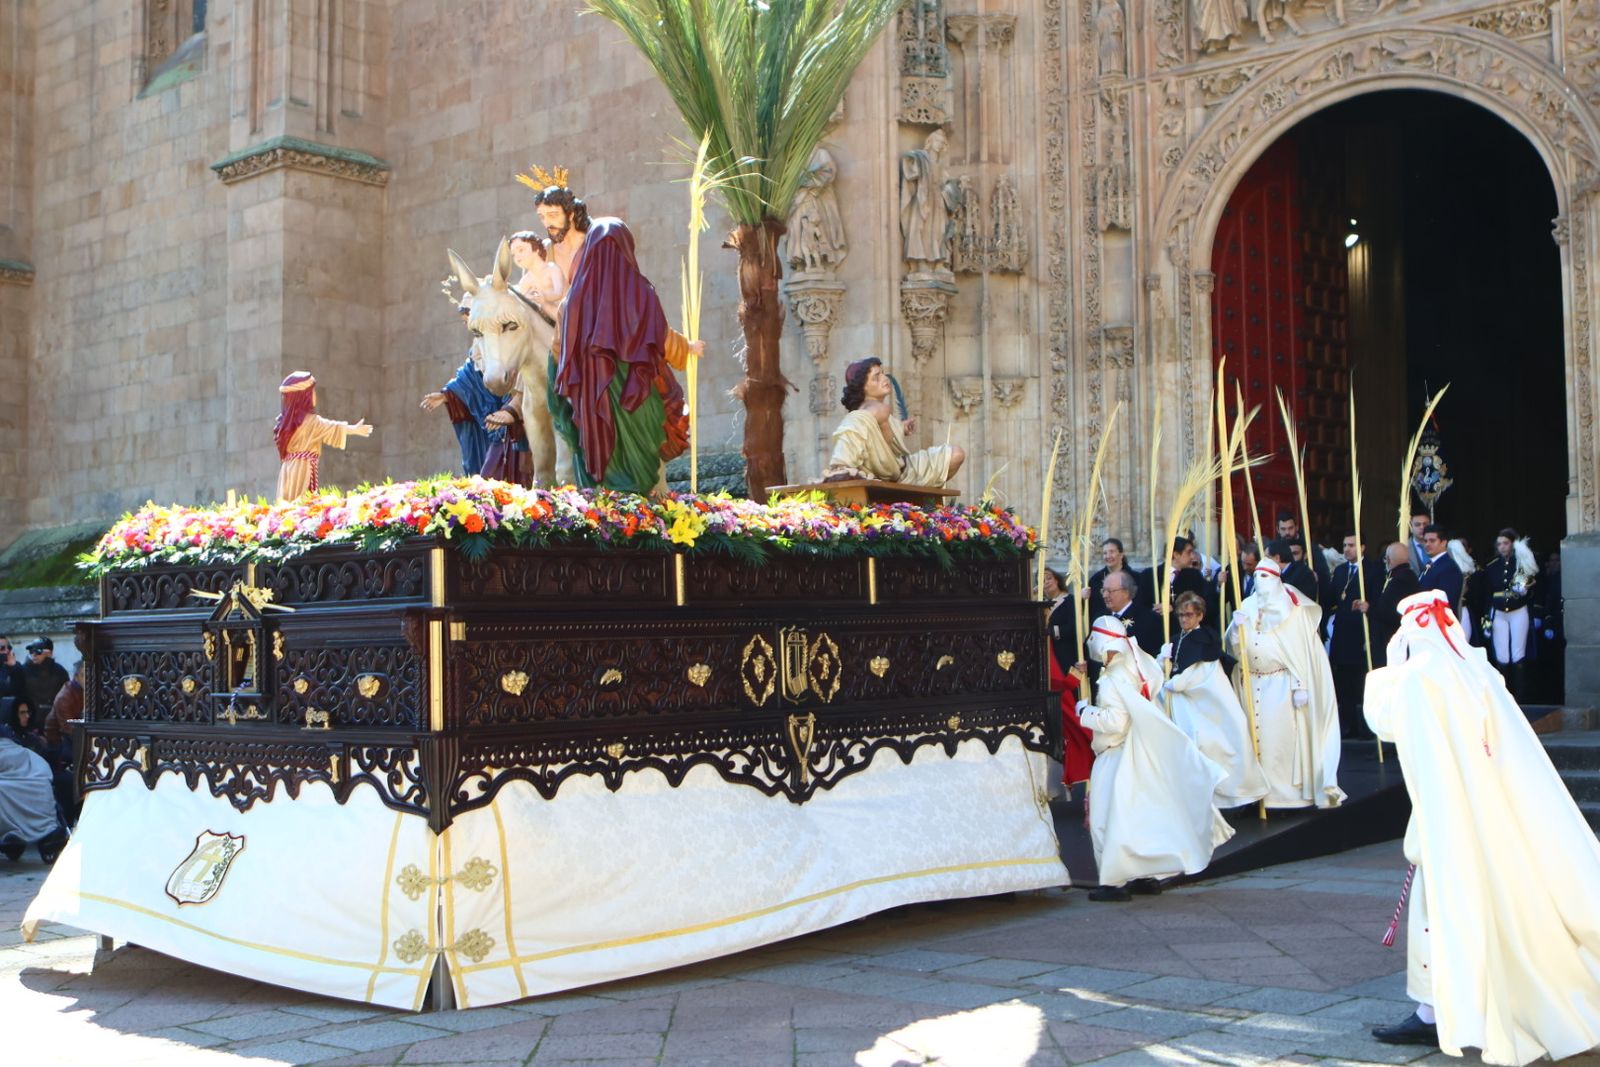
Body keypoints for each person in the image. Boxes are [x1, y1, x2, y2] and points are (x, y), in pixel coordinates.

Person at [1365, 590, 1600, 1061]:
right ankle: (1436, 1010)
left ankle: (1441, 1014)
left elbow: (1386, 723)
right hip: (1490, 811)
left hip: (1452, 817)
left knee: (1448, 912)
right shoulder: (1479, 673)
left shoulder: (1418, 679)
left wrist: (1388, 669)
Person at [1074, 616, 1233, 901]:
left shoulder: (1113, 679)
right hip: (1139, 753)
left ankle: (1114, 881)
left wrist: (1085, 712)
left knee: (1106, 818)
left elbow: (1116, 722)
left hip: (1117, 755)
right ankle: (1145, 876)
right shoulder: (1136, 666)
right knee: (1140, 815)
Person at [550, 218, 699, 494]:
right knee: (646, 482)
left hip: (594, 409)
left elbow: (557, 355)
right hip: (639, 403)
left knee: (603, 487)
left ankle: (611, 521)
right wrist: (687, 348)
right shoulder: (643, 295)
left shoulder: (570, 304)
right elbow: (661, 340)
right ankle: (640, 521)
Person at [1225, 558, 1344, 809]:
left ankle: (1284, 797)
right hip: (1253, 681)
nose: (1259, 582)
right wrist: (1235, 631)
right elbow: (1235, 649)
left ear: (1278, 579)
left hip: (1281, 685)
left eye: (1265, 576)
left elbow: (1302, 652)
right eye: (1256, 576)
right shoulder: (1247, 605)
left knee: (1277, 742)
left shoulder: (1293, 610)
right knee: (1253, 741)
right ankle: (1258, 797)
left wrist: (1301, 685)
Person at [1159, 592, 1267, 808]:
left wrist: (1177, 683)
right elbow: (1166, 670)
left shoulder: (1206, 640)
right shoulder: (1175, 639)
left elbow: (1201, 673)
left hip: (1206, 708)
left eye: (1188, 615)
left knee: (1211, 745)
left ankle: (1229, 795)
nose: (1184, 619)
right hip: (1183, 707)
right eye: (1180, 615)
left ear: (1199, 616)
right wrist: (1162, 661)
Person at [421, 294, 519, 479]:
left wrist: (509, 407)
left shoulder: (499, 342)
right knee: (485, 475)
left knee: (495, 474)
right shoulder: (477, 346)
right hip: (488, 419)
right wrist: (447, 395)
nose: (466, 325)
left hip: (506, 415)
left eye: (468, 320)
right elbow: (469, 376)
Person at [822, 358, 964, 486]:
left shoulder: (879, 411)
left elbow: (883, 439)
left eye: (882, 373)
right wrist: (841, 468)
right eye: (876, 377)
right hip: (894, 477)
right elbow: (843, 457)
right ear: (862, 387)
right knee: (956, 454)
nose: (884, 378)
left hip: (904, 471)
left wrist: (902, 428)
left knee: (955, 455)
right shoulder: (859, 418)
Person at [273, 372, 374, 502]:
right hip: (302, 470)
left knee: (289, 505)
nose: (315, 395)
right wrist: (354, 429)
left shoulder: (285, 423)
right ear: (304, 396)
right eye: (312, 392)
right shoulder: (311, 422)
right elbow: (330, 427)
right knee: (300, 503)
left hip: (288, 469)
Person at [1323, 534, 1384, 738]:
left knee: (1362, 682)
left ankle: (1367, 728)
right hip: (1343, 633)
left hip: (1362, 634)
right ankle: (1348, 725)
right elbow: (1331, 598)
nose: (1347, 549)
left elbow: (1379, 600)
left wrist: (1369, 607)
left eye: (1351, 545)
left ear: (1363, 547)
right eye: (1344, 545)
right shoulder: (1340, 571)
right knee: (1344, 682)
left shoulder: (1374, 570)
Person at [1043, 567, 1093, 789]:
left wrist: (1049, 630)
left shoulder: (1069, 601)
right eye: (1042, 580)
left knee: (1072, 708)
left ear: (1057, 579)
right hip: (1050, 661)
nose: (1046, 583)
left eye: (1049, 578)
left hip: (1066, 659)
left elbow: (1074, 629)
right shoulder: (1042, 605)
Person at [1483, 528, 1539, 701]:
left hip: (1518, 610)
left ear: (1513, 544)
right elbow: (1486, 594)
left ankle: (1520, 697)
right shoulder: (1492, 566)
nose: (1502, 547)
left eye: (1506, 543)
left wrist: (1524, 591)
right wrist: (1486, 618)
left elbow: (1532, 587)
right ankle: (1503, 697)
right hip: (1498, 612)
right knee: (1501, 655)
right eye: (1499, 544)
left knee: (1518, 653)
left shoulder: (1521, 563)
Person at [0, 735, 66, 863]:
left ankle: (47, 830)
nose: (27, 716)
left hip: (20, 766)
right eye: (23, 713)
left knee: (42, 785)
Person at [1354, 542, 1421, 659]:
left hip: (1393, 640)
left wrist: (1368, 609)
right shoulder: (1402, 576)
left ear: (1389, 560)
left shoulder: (1400, 580)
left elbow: (1390, 613)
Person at [1099, 569, 1163, 658]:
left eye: (1110, 591)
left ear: (1125, 592)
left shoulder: (1149, 620)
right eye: (1103, 590)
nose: (1104, 595)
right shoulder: (1100, 618)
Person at [1085, 538, 1150, 621]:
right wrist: (1083, 599)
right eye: (1105, 553)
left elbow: (1143, 603)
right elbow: (1091, 609)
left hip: (1132, 623)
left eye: (1112, 552)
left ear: (1121, 554)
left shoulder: (1136, 578)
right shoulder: (1095, 580)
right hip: (1105, 626)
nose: (1108, 556)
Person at [1416, 524, 1463, 614]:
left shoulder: (1449, 568)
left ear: (1444, 542)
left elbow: (1445, 602)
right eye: (1425, 541)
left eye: (1432, 541)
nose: (1427, 544)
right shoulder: (1431, 564)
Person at [20, 638, 68, 721]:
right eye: (31, 651)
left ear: (49, 653)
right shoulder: (23, 670)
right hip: (31, 717)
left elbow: (66, 697)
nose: (34, 654)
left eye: (38, 651)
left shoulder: (59, 671)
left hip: (54, 718)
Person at [1407, 511, 1431, 577]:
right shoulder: (1404, 548)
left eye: (1425, 524)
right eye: (1417, 525)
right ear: (1411, 527)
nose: (1422, 527)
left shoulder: (1441, 546)